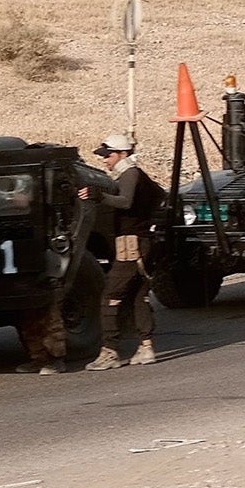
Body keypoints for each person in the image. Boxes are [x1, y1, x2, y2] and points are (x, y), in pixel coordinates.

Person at [79, 134, 167, 368]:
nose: (105, 160)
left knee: (110, 295)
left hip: (131, 245)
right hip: (141, 243)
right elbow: (160, 197)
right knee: (139, 296)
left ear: (123, 154)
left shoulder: (130, 174)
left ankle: (109, 352)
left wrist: (99, 196)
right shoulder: (136, 176)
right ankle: (146, 348)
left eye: (108, 155)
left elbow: (125, 202)